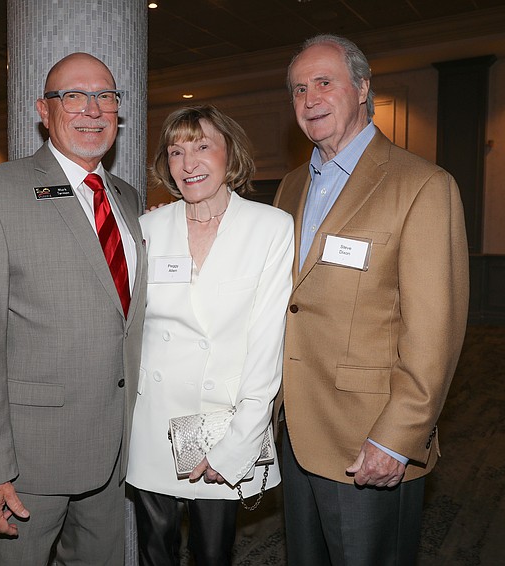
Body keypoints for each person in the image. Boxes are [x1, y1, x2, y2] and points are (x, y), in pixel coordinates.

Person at [273, 34, 470, 564]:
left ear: (361, 88)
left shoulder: (422, 185)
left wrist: (397, 437)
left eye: (323, 82)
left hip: (367, 435)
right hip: (296, 426)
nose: (309, 98)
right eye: (297, 89)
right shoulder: (290, 187)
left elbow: (435, 329)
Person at [0, 52, 147, 565]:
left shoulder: (127, 197)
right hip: (28, 458)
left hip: (115, 444)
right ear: (43, 110)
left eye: (105, 96)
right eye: (73, 96)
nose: (92, 109)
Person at [127, 105, 293, 566]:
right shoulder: (147, 228)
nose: (188, 162)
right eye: (176, 151)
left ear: (230, 154)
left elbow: (267, 342)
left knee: (213, 554)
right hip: (154, 421)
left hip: (222, 423)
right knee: (154, 552)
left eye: (202, 146)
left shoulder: (270, 227)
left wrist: (241, 440)